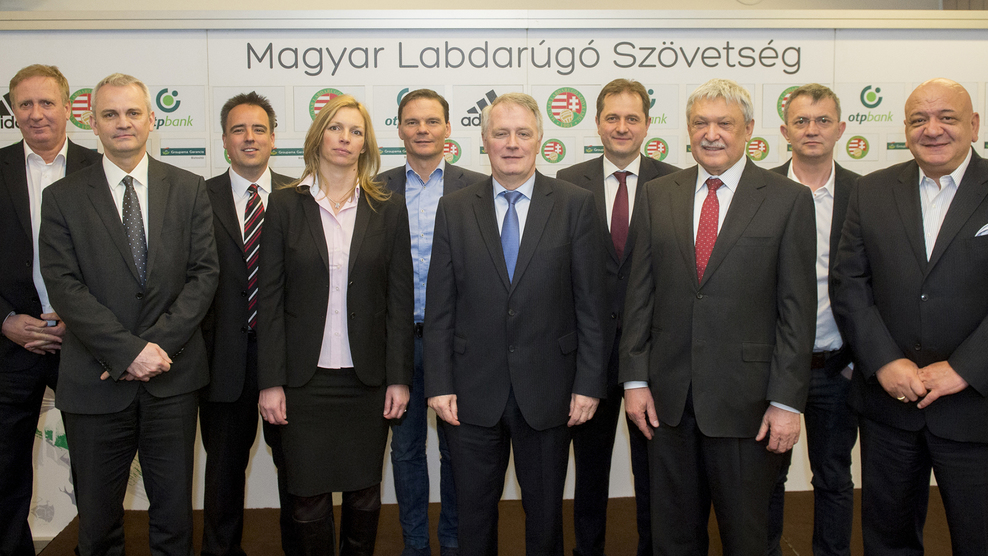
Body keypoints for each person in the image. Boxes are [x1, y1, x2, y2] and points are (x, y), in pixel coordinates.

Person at [620, 78, 816, 555]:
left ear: (748, 128)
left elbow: (797, 311)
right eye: (700, 123)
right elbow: (639, 295)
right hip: (669, 404)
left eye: (724, 124)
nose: (711, 135)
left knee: (747, 539)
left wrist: (787, 403)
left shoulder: (787, 199)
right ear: (688, 130)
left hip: (749, 407)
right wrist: (635, 380)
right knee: (673, 539)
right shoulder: (657, 194)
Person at [38, 73, 219, 555]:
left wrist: (156, 349)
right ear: (92, 122)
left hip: (172, 380)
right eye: (111, 114)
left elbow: (204, 276)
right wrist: (128, 352)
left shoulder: (189, 188)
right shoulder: (61, 197)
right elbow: (64, 286)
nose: (123, 123)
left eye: (133, 112)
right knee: (97, 526)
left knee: (174, 520)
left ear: (151, 120)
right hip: (95, 383)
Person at [423, 92, 606, 556]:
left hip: (549, 390)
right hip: (470, 393)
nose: (512, 143)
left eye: (523, 133)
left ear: (539, 139)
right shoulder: (454, 208)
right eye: (501, 133)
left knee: (545, 520)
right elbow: (441, 307)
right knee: (473, 518)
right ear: (484, 141)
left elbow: (591, 306)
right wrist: (439, 383)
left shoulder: (575, 204)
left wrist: (589, 384)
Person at [833, 78, 988, 555]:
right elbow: (849, 283)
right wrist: (884, 361)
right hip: (890, 407)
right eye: (919, 119)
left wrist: (964, 368)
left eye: (947, 118)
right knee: (888, 541)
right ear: (905, 128)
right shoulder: (872, 190)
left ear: (974, 125)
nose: (932, 129)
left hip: (976, 406)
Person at [256, 94, 413, 556]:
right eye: (336, 127)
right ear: (318, 136)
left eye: (356, 131)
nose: (345, 138)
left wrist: (399, 378)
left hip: (367, 382)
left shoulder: (389, 208)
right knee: (306, 498)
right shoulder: (284, 205)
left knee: (364, 496)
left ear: (366, 144)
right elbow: (270, 301)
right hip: (303, 383)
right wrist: (270, 382)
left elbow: (399, 301)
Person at [556, 78, 677, 556]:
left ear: (647, 124)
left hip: (654, 357)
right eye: (612, 117)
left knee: (654, 472)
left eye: (632, 118)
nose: (622, 127)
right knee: (589, 472)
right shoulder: (567, 181)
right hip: (589, 357)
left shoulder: (675, 183)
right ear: (597, 123)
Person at [0, 63, 101, 556]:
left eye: (46, 102)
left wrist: (77, 318)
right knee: (4, 475)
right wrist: (5, 320)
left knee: (97, 473)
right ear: (12, 111)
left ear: (68, 107)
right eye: (25, 104)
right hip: (8, 347)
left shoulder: (102, 168)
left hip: (84, 345)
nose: (36, 113)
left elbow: (123, 262)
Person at [379, 88, 484, 556]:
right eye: (413, 121)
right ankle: (416, 545)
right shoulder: (374, 188)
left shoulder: (476, 186)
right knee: (405, 450)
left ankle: (454, 543)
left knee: (455, 450)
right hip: (396, 341)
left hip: (457, 343)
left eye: (432, 121)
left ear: (448, 129)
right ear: (399, 129)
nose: (423, 130)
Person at [199, 91, 297, 556]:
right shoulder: (197, 197)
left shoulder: (303, 195)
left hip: (291, 361)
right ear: (224, 140)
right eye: (238, 129)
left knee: (297, 473)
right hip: (222, 361)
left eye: (259, 129)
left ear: (274, 138)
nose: (249, 137)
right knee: (222, 474)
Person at [766, 83, 859, 556]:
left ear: (840, 129)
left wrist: (858, 358)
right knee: (766, 480)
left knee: (834, 478)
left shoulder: (865, 194)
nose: (812, 130)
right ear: (785, 132)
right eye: (801, 121)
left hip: (836, 367)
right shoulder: (759, 192)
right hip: (770, 369)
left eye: (822, 120)